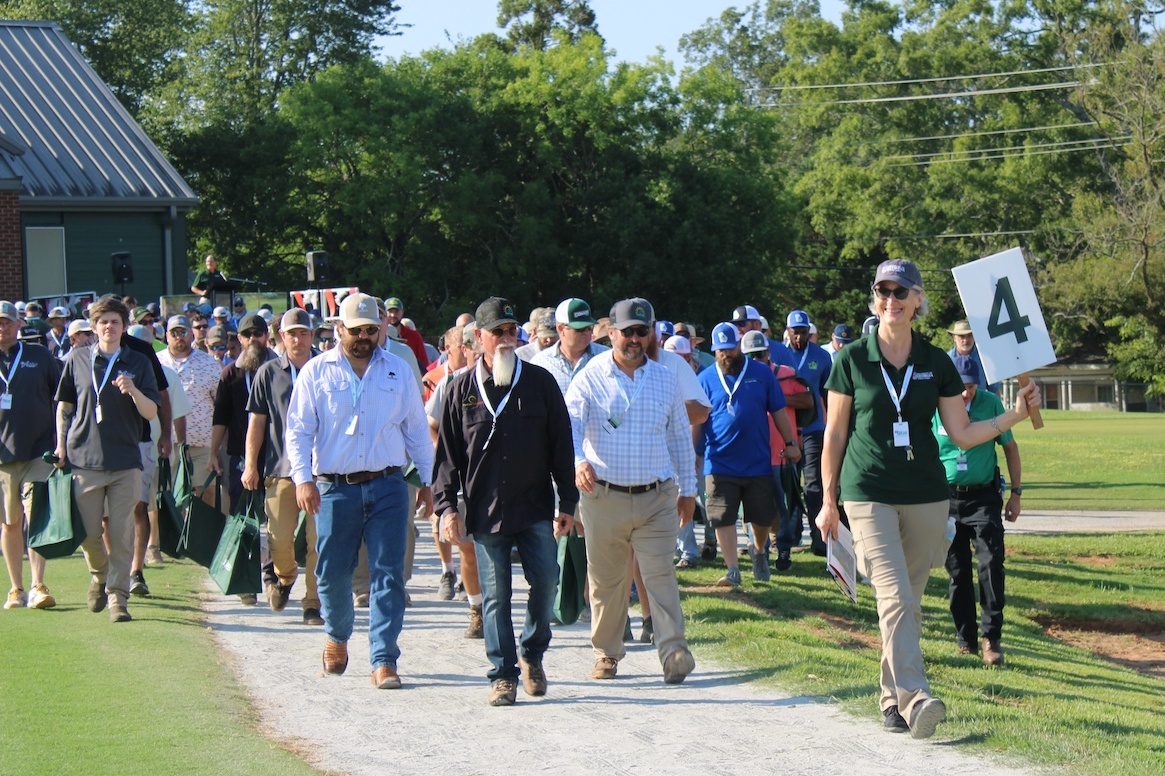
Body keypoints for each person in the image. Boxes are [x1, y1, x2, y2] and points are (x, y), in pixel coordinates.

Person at [816, 259, 1040, 739]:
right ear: (874, 298)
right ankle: (917, 698)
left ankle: (888, 697)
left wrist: (1014, 417)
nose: (891, 301)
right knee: (894, 596)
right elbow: (834, 435)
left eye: (901, 292)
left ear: (918, 299)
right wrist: (828, 500)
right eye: (883, 291)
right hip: (866, 491)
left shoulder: (936, 360)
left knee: (907, 604)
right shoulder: (850, 358)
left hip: (926, 495)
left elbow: (961, 433)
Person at [287, 293, 434, 690]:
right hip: (335, 487)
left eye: (372, 329)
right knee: (332, 572)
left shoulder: (399, 371)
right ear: (340, 330)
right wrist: (302, 478)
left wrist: (429, 481)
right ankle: (337, 635)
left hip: (389, 483)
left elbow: (416, 430)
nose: (365, 337)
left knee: (388, 573)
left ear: (382, 327)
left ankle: (384, 658)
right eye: (357, 331)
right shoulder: (316, 372)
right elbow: (299, 431)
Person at [434, 297, 577, 706]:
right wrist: (446, 508)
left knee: (547, 580)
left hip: (534, 506)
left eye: (511, 330)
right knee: (496, 595)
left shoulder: (540, 382)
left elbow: (561, 445)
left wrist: (567, 502)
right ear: (477, 338)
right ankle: (503, 675)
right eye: (497, 331)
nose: (505, 338)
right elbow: (446, 456)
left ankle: (532, 651)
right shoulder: (459, 388)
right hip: (485, 510)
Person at [564, 297, 698, 685]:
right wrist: (577, 461)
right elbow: (570, 423)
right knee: (607, 582)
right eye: (628, 332)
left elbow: (678, 438)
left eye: (643, 331)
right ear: (611, 333)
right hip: (603, 495)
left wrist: (687, 491)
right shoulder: (590, 375)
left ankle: (673, 650)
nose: (635, 339)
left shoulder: (665, 378)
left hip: (656, 495)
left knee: (660, 575)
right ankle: (607, 654)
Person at [54, 295, 160, 622]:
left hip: (126, 460)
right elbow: (65, 407)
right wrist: (60, 445)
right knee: (87, 533)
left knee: (122, 531)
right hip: (84, 459)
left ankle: (118, 597)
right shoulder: (76, 359)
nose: (109, 327)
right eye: (103, 322)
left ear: (124, 326)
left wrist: (133, 390)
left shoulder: (138, 362)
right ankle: (99, 575)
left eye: (115, 321)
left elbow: (152, 412)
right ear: (94, 327)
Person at [937, 355, 1023, 667]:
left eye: (972, 386)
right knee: (957, 572)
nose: (966, 393)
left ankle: (991, 638)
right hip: (946, 498)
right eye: (961, 386)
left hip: (983, 497)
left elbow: (1010, 448)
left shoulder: (991, 403)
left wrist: (1015, 493)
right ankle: (965, 640)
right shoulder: (939, 404)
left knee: (990, 563)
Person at [699, 323, 800, 586]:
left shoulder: (761, 374)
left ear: (739, 347)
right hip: (718, 459)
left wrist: (790, 441)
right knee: (723, 515)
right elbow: (697, 421)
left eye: (730, 348)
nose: (725, 355)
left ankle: (758, 550)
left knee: (763, 516)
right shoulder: (705, 379)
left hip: (756, 460)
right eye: (720, 350)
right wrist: (694, 454)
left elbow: (778, 410)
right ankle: (732, 568)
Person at [243, 308, 323, 626]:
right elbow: (257, 423)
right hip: (281, 467)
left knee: (320, 540)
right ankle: (286, 578)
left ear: (312, 336)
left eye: (304, 333)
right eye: (292, 333)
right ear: (281, 336)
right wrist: (251, 465)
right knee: (278, 538)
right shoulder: (268, 372)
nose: (298, 339)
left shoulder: (327, 369)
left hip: (322, 469)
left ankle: (312, 603)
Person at [0, 301, 61, 610]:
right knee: (10, 524)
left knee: (36, 517)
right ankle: (16, 588)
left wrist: (63, 442)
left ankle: (38, 585)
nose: (2, 327)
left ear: (19, 324)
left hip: (39, 449)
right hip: (3, 457)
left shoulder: (39, 356)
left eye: (7, 322)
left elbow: (63, 395)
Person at [157, 315, 222, 509]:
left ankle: (201, 538)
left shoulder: (209, 364)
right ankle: (174, 538)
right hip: (166, 442)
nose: (179, 337)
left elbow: (219, 404)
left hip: (201, 441)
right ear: (167, 336)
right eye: (174, 333)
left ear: (191, 334)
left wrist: (218, 445)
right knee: (169, 497)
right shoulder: (156, 362)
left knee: (206, 493)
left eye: (183, 332)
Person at [785, 309, 832, 557]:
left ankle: (818, 537)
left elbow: (828, 395)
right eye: (795, 333)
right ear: (788, 332)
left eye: (803, 332)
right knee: (788, 483)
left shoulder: (822, 357)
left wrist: (831, 425)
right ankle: (789, 535)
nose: (799, 338)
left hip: (814, 428)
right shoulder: (780, 354)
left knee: (813, 484)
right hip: (786, 429)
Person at [947, 320, 1000, 395]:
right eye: (961, 336)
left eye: (969, 335)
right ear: (954, 338)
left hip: (980, 405)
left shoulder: (986, 360)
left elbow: (995, 390)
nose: (965, 340)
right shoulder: (945, 359)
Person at [382, 297, 430, 370]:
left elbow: (423, 364)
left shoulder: (414, 336)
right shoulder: (379, 335)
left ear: (402, 312)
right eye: (390, 311)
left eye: (396, 311)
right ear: (384, 313)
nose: (393, 315)